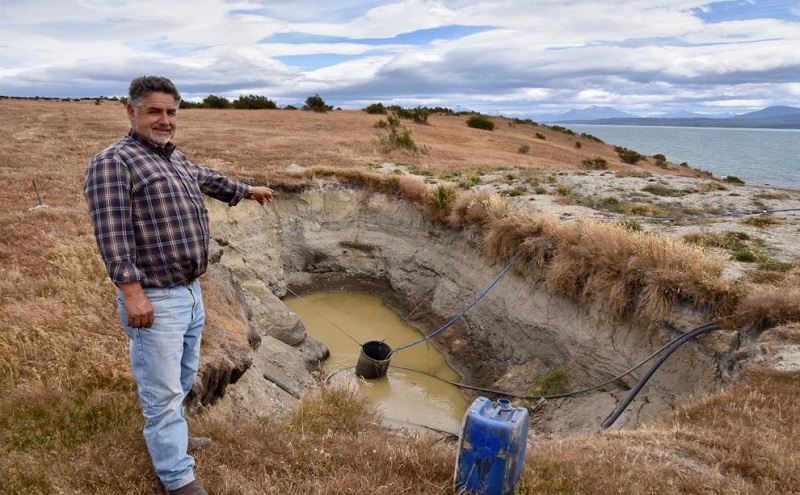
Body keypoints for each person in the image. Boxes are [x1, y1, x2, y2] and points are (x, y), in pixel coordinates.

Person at [84, 75, 273, 495]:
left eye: (171, 111)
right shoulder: (114, 162)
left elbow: (209, 178)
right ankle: (177, 477)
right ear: (131, 112)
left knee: (184, 376)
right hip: (155, 296)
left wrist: (248, 190)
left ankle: (175, 439)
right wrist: (132, 293)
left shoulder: (173, 157)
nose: (164, 119)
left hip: (190, 292)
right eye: (154, 110)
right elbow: (112, 235)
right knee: (162, 389)